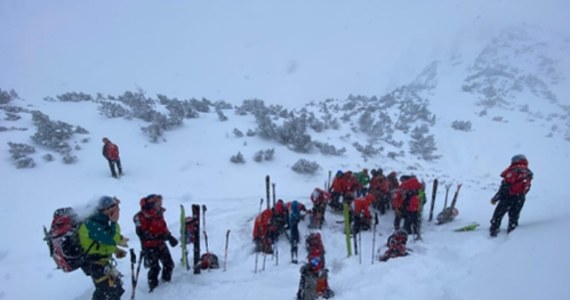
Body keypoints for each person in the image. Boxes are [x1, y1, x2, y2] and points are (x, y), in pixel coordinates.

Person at [79, 196, 128, 300]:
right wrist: (115, 222)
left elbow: (102, 243)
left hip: (102, 263)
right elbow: (110, 239)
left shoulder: (100, 221)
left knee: (111, 290)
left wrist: (115, 250)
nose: (117, 212)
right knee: (109, 291)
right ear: (106, 210)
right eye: (114, 210)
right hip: (95, 264)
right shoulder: (91, 225)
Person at [133, 194, 178, 292]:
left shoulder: (158, 213)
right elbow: (143, 233)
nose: (160, 205)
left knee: (169, 264)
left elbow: (163, 226)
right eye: (158, 203)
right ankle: (153, 289)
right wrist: (161, 236)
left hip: (160, 244)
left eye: (160, 203)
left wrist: (169, 236)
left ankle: (166, 284)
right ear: (151, 204)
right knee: (155, 268)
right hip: (149, 247)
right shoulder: (140, 217)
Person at [489, 154, 533, 237]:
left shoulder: (514, 171)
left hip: (508, 197)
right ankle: (512, 231)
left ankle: (494, 230)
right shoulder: (528, 172)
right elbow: (527, 187)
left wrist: (496, 198)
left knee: (498, 214)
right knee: (514, 216)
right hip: (520, 197)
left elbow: (505, 186)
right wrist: (520, 195)